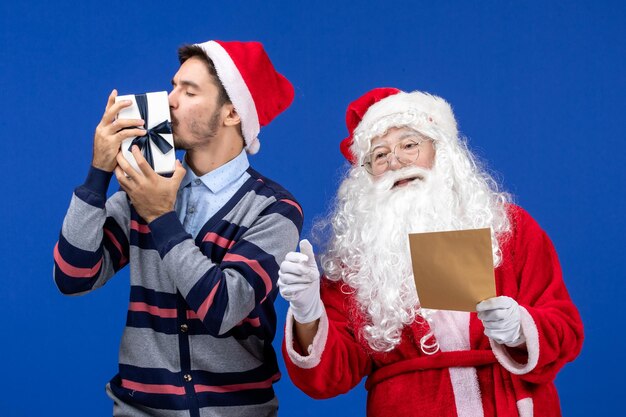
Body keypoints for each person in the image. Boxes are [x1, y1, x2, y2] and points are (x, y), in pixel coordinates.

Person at [278, 88, 583, 417]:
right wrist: (308, 314)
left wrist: (519, 329)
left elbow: (566, 329)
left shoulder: (510, 228)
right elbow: (329, 379)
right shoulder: (355, 261)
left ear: (442, 151)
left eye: (409, 145)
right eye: (379, 155)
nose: (395, 161)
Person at [53, 39, 303, 416]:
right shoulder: (145, 187)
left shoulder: (274, 209)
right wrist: (98, 173)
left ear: (232, 112)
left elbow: (222, 308)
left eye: (189, 91)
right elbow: (73, 277)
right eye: (173, 86)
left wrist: (161, 217)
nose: (170, 99)